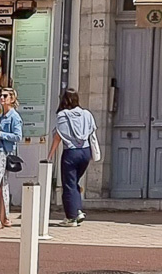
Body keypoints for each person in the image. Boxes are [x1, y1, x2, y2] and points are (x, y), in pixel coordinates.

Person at [48, 90, 97, 226]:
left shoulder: (62, 115)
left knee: (69, 184)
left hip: (71, 153)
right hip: (85, 152)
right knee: (74, 182)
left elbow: (58, 137)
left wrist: (50, 155)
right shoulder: (87, 114)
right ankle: (78, 211)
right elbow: (92, 131)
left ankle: (71, 218)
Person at [0, 88, 21, 229]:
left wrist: (0, 133)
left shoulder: (14, 117)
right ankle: (4, 218)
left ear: (12, 99)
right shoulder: (3, 115)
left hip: (4, 153)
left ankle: (2, 218)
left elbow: (18, 136)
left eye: (5, 96)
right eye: (1, 95)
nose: (2, 98)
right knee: (2, 185)